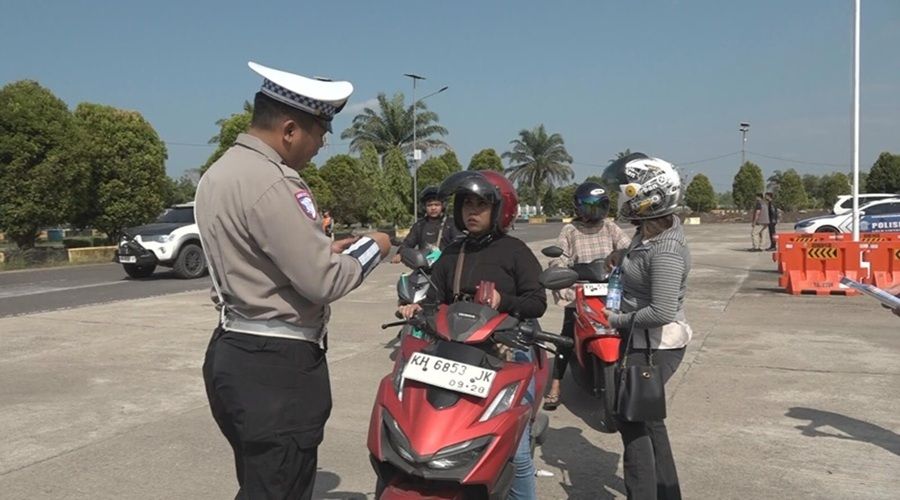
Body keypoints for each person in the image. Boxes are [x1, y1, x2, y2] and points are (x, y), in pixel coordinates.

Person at [195, 61, 391, 500]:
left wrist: (323, 248)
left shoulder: (218, 173)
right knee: (280, 487)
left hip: (234, 350)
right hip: (277, 368)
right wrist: (374, 246)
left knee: (259, 481)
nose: (320, 145)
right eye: (319, 133)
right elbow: (323, 283)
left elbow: (257, 254)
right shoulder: (275, 181)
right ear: (288, 129)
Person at [397, 170, 546, 500]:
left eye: (481, 204)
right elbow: (434, 299)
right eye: (466, 204)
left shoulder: (516, 251)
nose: (472, 211)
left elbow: (537, 303)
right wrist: (417, 310)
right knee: (431, 432)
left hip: (505, 355)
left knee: (516, 452)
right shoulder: (452, 253)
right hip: (456, 355)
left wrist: (503, 302)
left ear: (500, 210)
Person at [602, 153, 692, 500]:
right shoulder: (649, 232)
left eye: (626, 189)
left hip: (656, 344)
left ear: (648, 194)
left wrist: (617, 321)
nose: (621, 196)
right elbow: (639, 257)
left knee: (632, 422)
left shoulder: (667, 249)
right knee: (650, 421)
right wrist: (621, 258)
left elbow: (662, 310)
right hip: (642, 340)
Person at [543, 182, 631, 411]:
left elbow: (628, 247)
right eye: (588, 207)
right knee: (566, 335)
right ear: (578, 208)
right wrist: (561, 269)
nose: (593, 212)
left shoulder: (610, 227)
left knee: (628, 328)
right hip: (580, 289)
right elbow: (559, 256)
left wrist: (622, 255)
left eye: (598, 206)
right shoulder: (570, 230)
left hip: (610, 289)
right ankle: (555, 385)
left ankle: (630, 376)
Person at [390, 186, 459, 263]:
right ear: (424, 207)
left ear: (443, 206)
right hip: (424, 268)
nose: (433, 208)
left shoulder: (451, 223)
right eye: (429, 205)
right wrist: (400, 254)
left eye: (436, 205)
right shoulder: (419, 225)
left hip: (446, 265)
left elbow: (458, 244)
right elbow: (408, 243)